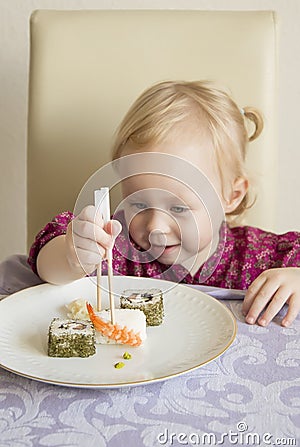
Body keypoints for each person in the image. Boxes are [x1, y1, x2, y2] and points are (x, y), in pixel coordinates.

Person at [28, 80, 300, 327]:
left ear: (231, 195)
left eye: (179, 208)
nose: (156, 227)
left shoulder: (256, 256)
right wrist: (71, 255)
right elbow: (44, 259)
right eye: (138, 204)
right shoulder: (114, 244)